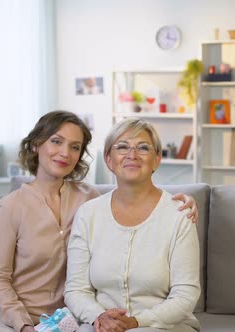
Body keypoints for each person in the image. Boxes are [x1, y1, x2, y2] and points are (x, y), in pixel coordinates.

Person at [0, 111, 198, 332]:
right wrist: (23, 326)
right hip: (14, 313)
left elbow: (134, 193)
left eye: (75, 147)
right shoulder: (12, 206)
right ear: (35, 145)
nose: (65, 153)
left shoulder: (87, 198)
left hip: (65, 314)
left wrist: (182, 202)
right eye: (56, 141)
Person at [64, 118, 201, 332]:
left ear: (157, 159)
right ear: (109, 159)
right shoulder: (87, 214)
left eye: (143, 148)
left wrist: (136, 322)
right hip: (101, 324)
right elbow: (75, 289)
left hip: (165, 325)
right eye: (122, 147)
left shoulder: (179, 215)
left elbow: (186, 294)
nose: (132, 155)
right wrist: (99, 316)